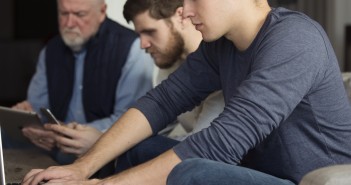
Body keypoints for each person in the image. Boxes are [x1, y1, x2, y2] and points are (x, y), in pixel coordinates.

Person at [23, 0, 351, 184]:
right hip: (258, 175)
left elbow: (221, 144)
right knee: (138, 148)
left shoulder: (295, 38)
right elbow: (160, 102)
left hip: (310, 182)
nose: (185, 11)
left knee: (192, 172)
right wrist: (81, 168)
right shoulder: (218, 48)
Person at [11, 0, 153, 165]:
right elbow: (37, 108)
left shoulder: (133, 48)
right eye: (64, 14)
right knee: (7, 136)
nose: (69, 23)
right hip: (55, 140)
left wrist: (68, 133)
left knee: (67, 155)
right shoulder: (51, 50)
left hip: (101, 143)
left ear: (102, 12)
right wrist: (29, 121)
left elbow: (130, 120)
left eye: (80, 14)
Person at [112, 0, 224, 172]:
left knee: (136, 149)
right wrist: (103, 139)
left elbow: (202, 146)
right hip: (193, 156)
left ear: (181, 16)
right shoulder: (169, 66)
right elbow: (159, 124)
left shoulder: (219, 64)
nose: (143, 44)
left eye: (150, 32)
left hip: (217, 162)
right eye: (140, 34)